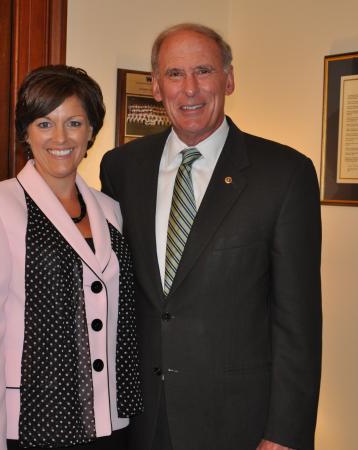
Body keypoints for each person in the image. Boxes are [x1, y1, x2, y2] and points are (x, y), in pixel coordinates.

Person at [100, 23, 321, 450]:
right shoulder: (121, 168)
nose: (190, 89)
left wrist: (285, 433)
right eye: (175, 74)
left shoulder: (284, 173)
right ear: (157, 87)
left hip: (238, 422)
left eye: (203, 70)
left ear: (229, 79)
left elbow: (299, 320)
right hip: (140, 417)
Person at [0, 65, 143, 450]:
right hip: (30, 424)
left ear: (90, 132)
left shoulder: (110, 210)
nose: (60, 137)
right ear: (25, 132)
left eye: (73, 122)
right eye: (44, 123)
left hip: (108, 423)